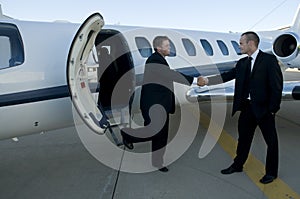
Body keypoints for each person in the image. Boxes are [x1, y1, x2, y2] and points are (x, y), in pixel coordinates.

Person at [198, 31, 283, 184]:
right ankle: (238, 165)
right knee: (243, 140)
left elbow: (277, 86)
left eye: (241, 43)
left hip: (264, 110)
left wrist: (272, 109)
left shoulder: (269, 60)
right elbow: (227, 75)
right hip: (247, 108)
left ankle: (271, 173)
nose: (239, 46)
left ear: (251, 43)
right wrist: (207, 80)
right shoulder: (242, 63)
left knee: (271, 142)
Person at [121, 36, 198, 172]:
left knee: (161, 136)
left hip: (161, 104)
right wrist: (195, 80)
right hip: (154, 106)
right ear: (158, 48)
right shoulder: (155, 60)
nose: (169, 48)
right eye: (167, 46)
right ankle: (128, 135)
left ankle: (157, 162)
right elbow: (170, 74)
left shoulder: (159, 60)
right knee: (154, 133)